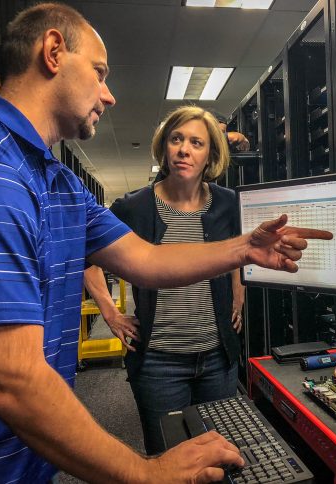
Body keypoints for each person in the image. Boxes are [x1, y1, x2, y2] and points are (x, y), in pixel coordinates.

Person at [0, 3, 332, 483]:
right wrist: (146, 473)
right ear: (53, 52)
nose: (109, 94)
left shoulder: (52, 178)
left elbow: (144, 258)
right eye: (99, 73)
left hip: (26, 458)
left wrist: (244, 249)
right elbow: (9, 382)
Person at [84, 105, 245, 455]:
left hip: (218, 358)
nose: (184, 149)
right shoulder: (134, 207)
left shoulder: (228, 204)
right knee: (167, 459)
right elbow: (87, 256)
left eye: (196, 142)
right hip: (159, 363)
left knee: (218, 457)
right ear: (165, 147)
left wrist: (238, 291)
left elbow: (240, 251)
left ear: (210, 155)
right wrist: (109, 313)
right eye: (176, 139)